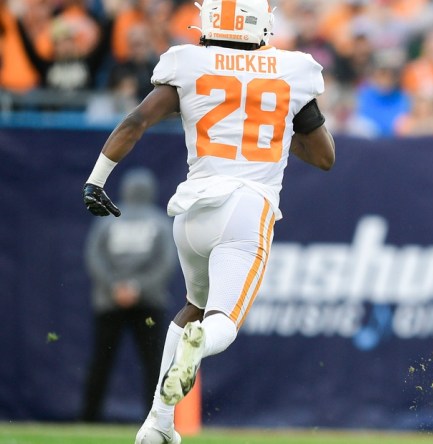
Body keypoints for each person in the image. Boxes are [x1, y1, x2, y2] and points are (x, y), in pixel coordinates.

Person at [81, 0, 336, 441]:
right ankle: (196, 349)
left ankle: (157, 424)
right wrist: (276, 122)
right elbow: (325, 157)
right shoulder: (292, 69)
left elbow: (138, 119)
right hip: (246, 207)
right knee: (222, 322)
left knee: (191, 308)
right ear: (263, 26)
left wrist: (96, 179)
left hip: (191, 212)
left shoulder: (188, 61)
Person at [81, 167, 177, 423]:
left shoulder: (107, 219)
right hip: (149, 302)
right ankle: (156, 419)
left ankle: (89, 420)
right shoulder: (159, 222)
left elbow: (94, 257)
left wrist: (115, 286)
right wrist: (138, 287)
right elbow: (166, 262)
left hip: (109, 300)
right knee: (153, 365)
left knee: (102, 361)